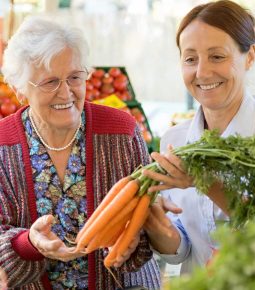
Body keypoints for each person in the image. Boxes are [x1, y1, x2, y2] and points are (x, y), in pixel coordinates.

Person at [0, 17, 160, 289]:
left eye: (75, 77)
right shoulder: (3, 145)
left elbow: (147, 217)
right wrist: (29, 243)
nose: (66, 93)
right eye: (50, 82)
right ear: (20, 90)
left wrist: (133, 238)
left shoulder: (121, 132)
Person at [142, 0, 255, 275]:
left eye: (217, 56)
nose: (202, 72)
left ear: (249, 56)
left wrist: (203, 181)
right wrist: (156, 225)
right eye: (191, 59)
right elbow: (182, 250)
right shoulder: (175, 139)